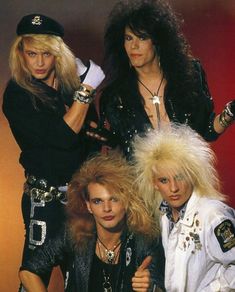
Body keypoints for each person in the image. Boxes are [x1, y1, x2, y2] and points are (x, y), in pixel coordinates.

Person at [2, 13, 105, 288]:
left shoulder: (68, 84)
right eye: (31, 53)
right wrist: (87, 87)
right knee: (33, 277)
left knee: (83, 278)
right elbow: (63, 138)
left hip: (81, 198)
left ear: (57, 53)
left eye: (46, 54)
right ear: (21, 53)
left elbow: (93, 139)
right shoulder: (17, 94)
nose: (38, 62)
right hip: (44, 202)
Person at [96, 0, 235, 159]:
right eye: (128, 38)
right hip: (138, 182)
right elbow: (113, 154)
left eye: (142, 38)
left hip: (186, 178)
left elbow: (207, 132)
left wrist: (229, 113)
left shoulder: (190, 75)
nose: (133, 46)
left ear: (158, 41)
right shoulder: (114, 97)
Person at [18, 151, 165, 292]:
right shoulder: (74, 234)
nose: (106, 208)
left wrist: (151, 287)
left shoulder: (145, 240)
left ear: (126, 200)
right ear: (88, 206)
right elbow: (28, 272)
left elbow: (160, 287)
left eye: (114, 199)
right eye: (97, 201)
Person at [133, 122, 235, 291]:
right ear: (154, 183)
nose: (173, 188)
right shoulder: (164, 215)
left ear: (193, 175)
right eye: (164, 180)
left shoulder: (213, 215)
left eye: (180, 177)